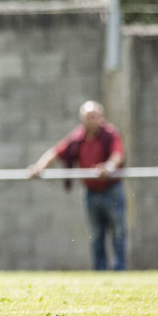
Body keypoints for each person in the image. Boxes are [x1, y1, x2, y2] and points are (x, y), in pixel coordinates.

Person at [27, 100, 127, 271]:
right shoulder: (77, 138)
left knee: (118, 232)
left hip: (112, 191)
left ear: (101, 118)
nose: (92, 120)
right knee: (96, 235)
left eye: (95, 117)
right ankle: (100, 273)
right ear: (82, 120)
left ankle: (120, 272)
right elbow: (56, 152)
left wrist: (108, 167)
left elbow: (118, 155)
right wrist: (39, 167)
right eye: (88, 117)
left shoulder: (110, 135)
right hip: (91, 193)